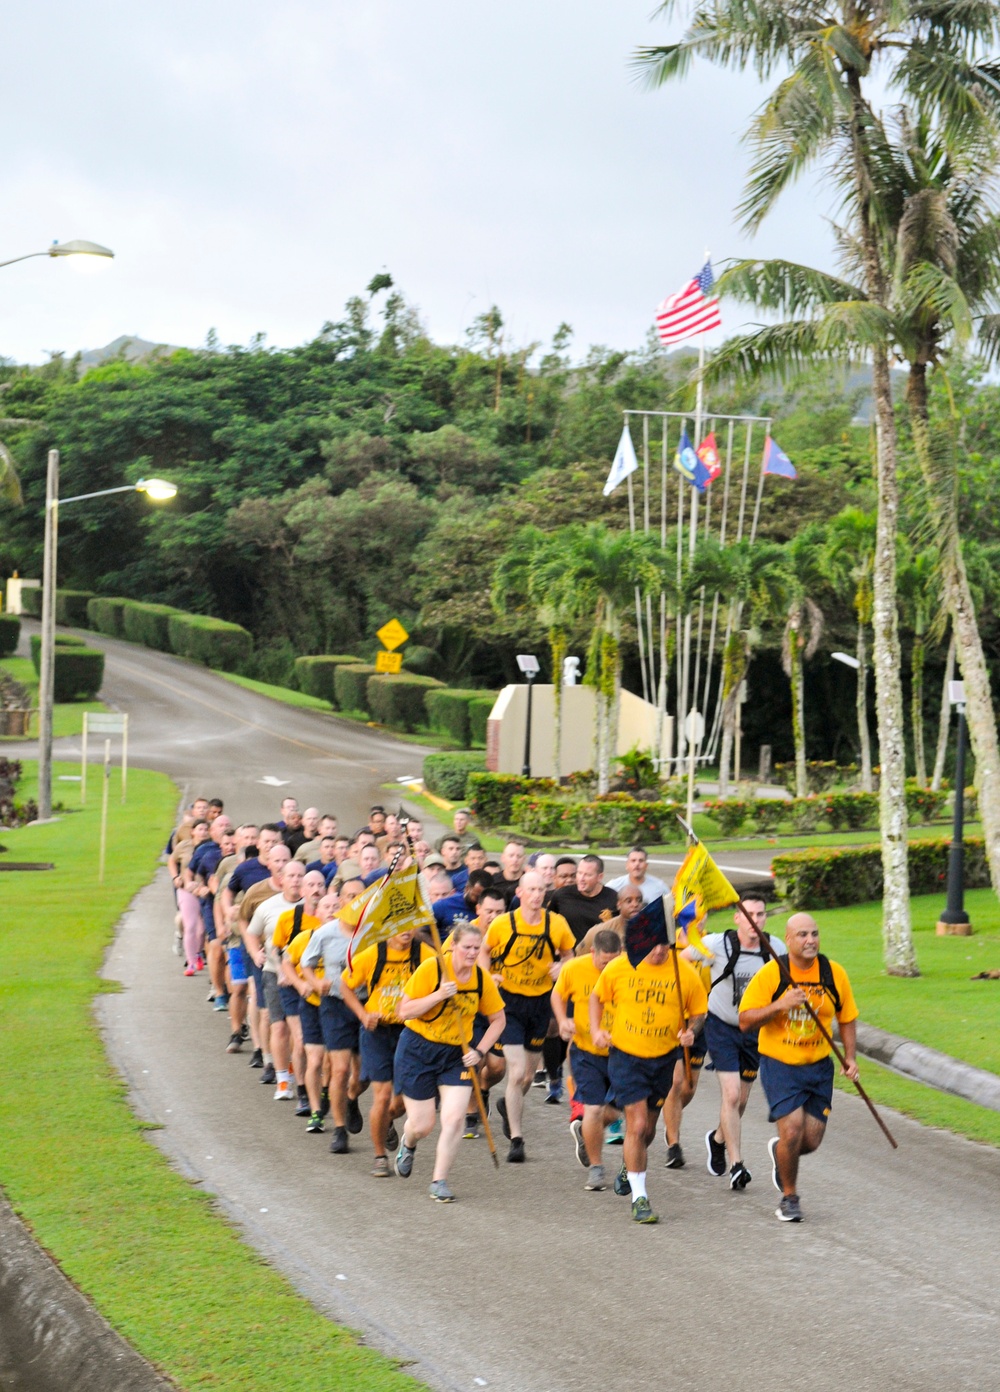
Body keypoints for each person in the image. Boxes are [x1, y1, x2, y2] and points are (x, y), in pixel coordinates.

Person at [739, 912, 859, 1223]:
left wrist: (851, 1057)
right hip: (781, 1066)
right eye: (803, 935)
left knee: (810, 1140)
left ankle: (782, 1151)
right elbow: (745, 1020)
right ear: (788, 940)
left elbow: (846, 1017)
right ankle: (789, 1198)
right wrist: (781, 1004)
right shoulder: (773, 974)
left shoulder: (833, 973)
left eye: (815, 934)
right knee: (792, 1129)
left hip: (819, 1067)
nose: (810, 940)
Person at [591, 936, 707, 1224]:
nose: (657, 951)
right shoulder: (620, 967)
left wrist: (691, 1031)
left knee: (648, 1132)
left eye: (663, 945)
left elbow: (699, 1012)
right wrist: (596, 1029)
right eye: (652, 944)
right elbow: (596, 996)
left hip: (663, 1059)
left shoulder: (683, 973)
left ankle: (627, 1167)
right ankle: (639, 1198)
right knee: (638, 1123)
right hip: (626, 1056)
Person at [393, 922, 506, 1201]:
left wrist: (480, 1051)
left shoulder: (480, 978)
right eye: (466, 947)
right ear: (452, 945)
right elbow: (403, 1011)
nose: (471, 953)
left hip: (456, 1055)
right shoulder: (432, 969)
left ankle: (439, 1181)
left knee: (454, 1119)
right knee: (422, 1125)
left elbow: (498, 1020)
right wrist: (439, 995)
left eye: (476, 948)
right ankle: (408, 1143)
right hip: (418, 1049)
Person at [683, 896, 786, 1189]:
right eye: (749, 913)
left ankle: (717, 1140)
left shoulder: (775, 949)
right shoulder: (717, 944)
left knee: (740, 1102)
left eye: (761, 914)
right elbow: (682, 960)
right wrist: (691, 1000)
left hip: (754, 1032)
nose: (755, 920)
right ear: (737, 918)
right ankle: (736, 1165)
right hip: (721, 1026)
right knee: (730, 1097)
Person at [479, 871, 575, 1162]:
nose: (537, 895)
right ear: (519, 892)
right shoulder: (502, 924)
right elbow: (484, 950)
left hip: (540, 1004)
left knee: (528, 1076)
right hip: (508, 1004)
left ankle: (509, 1106)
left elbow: (569, 955)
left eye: (541, 890)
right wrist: (488, 975)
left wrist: (562, 968)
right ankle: (517, 1139)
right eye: (531, 889)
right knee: (517, 1071)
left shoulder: (556, 924)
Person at [340, 929, 434, 1176]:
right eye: (399, 926)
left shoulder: (425, 954)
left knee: (401, 1102)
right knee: (381, 1096)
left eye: (410, 925)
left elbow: (443, 980)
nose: (406, 931)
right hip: (377, 1032)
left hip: (411, 1031)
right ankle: (379, 1155)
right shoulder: (373, 954)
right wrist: (362, 1014)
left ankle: (387, 1121)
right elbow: (343, 985)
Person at [299, 878, 367, 1153]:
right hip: (335, 1005)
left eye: (359, 896)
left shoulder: (374, 933)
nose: (354, 900)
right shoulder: (325, 933)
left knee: (364, 1074)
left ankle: (352, 1098)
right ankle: (339, 1130)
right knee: (339, 1070)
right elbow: (306, 963)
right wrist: (316, 984)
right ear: (339, 900)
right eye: (349, 895)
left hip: (366, 1005)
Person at [551, 928, 622, 1192]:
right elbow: (557, 995)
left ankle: (586, 1134)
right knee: (593, 1109)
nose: (609, 968)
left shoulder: (628, 969)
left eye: (615, 961)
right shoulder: (575, 969)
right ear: (593, 952)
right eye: (605, 962)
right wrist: (562, 1021)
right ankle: (596, 1168)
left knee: (614, 1112)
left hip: (621, 1053)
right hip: (586, 1051)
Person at [275, 868, 326, 1116]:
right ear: (302, 890)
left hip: (323, 989)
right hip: (295, 987)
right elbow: (278, 952)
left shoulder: (331, 917)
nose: (316, 889)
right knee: (302, 1039)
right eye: (311, 885)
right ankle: (304, 1092)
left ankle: (323, 1089)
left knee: (323, 1049)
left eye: (320, 884)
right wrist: (287, 975)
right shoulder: (288, 919)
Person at [491, 840, 526, 906]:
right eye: (511, 856)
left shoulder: (529, 882)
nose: (515, 860)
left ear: (524, 859)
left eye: (519, 856)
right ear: (503, 858)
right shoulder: (493, 881)